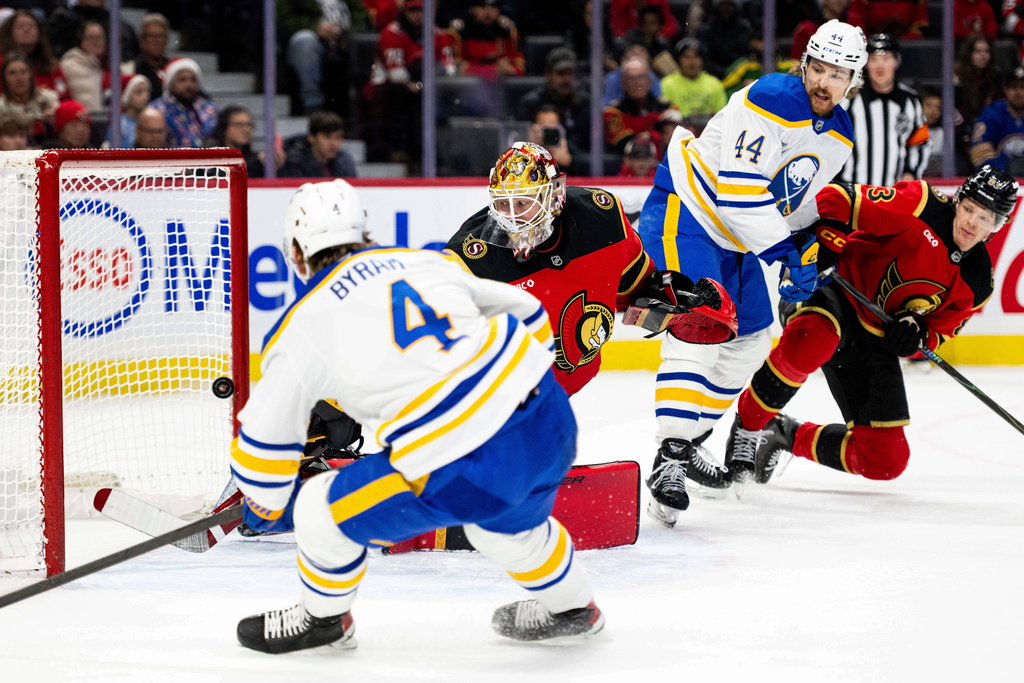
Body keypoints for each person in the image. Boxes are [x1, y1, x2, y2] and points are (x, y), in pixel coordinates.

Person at [232, 179, 605, 653]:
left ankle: (322, 620)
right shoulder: (424, 261)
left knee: (317, 510)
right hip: (549, 423)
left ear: (298, 254)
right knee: (504, 527)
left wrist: (263, 502)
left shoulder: (303, 322)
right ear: (363, 232)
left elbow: (265, 447)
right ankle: (573, 607)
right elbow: (528, 312)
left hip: (467, 466)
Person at [635, 20, 867, 527]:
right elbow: (739, 192)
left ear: (854, 80)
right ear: (805, 64)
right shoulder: (773, 97)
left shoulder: (840, 135)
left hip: (738, 236)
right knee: (700, 325)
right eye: (819, 68)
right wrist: (787, 254)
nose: (825, 81)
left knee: (750, 341)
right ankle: (668, 463)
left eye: (839, 73)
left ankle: (690, 441)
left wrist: (808, 241)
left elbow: (790, 198)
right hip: (690, 210)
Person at [723, 167, 1015, 485]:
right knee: (814, 338)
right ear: (958, 202)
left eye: (985, 217)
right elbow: (838, 199)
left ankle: (781, 434)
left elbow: (936, 336)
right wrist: (825, 241)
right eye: (969, 208)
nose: (972, 222)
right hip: (832, 288)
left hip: (873, 336)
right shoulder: (922, 205)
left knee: (884, 459)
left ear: (996, 227)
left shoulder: (977, 282)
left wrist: (916, 335)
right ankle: (748, 426)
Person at [445, 141, 734, 398]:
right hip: (498, 398)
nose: (512, 217)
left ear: (553, 196)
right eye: (502, 204)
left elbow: (636, 290)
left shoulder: (600, 219)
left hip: (563, 387)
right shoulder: (469, 258)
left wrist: (678, 298)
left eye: (522, 203)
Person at [362, 0, 457, 165]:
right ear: (405, 12)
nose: (418, 15)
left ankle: (441, 156)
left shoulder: (439, 34)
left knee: (443, 97)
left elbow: (449, 69)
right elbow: (397, 74)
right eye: (413, 11)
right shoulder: (391, 32)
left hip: (422, 87)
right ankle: (397, 150)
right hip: (385, 89)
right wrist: (423, 87)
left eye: (421, 11)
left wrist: (428, 86)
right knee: (403, 94)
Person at [838, 33, 930, 187]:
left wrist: (910, 172)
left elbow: (920, 143)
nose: (880, 66)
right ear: (866, 64)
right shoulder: (847, 97)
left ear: (896, 62)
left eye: (886, 59)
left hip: (891, 195)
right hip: (851, 192)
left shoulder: (910, 101)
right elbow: (829, 140)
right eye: (874, 60)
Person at [515, 46, 591, 165]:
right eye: (560, 74)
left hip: (576, 170)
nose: (566, 79)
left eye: (569, 73)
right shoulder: (530, 105)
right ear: (548, 74)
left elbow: (593, 154)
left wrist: (570, 160)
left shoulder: (585, 105)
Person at [603, 56, 670, 153]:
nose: (637, 83)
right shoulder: (613, 113)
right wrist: (657, 135)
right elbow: (624, 145)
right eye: (631, 78)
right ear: (623, 83)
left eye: (641, 77)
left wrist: (648, 136)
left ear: (650, 81)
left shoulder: (667, 109)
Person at [150, 58, 218, 149]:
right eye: (182, 80)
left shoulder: (209, 108)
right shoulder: (157, 110)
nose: (189, 85)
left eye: (193, 80)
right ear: (170, 83)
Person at [0, 10, 69, 100]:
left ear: (39, 32)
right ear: (10, 33)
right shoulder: (2, 63)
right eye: (20, 27)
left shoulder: (51, 64)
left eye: (31, 26)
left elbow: (64, 96)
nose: (26, 30)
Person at [448, 0, 525, 79]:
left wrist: (511, 70)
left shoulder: (508, 32)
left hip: (501, 86)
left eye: (493, 7)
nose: (488, 13)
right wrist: (492, 70)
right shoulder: (457, 33)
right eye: (482, 7)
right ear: (471, 8)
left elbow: (519, 67)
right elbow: (453, 69)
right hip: (467, 87)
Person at [970, 66, 1024, 172]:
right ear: (1005, 89)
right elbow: (978, 152)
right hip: (1000, 183)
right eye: (1013, 87)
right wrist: (1006, 171)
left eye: (1023, 87)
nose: (1018, 92)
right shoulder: (992, 113)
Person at [206, 105, 284, 178]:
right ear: (224, 128)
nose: (245, 129)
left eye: (249, 125)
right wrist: (257, 164)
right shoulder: (211, 159)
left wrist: (275, 167)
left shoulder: (255, 158)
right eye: (239, 124)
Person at [659, 38, 727, 119]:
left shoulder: (714, 83)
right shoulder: (666, 84)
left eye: (696, 56)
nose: (692, 61)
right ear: (678, 60)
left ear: (702, 60)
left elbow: (723, 115)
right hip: (678, 129)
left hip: (708, 129)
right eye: (686, 56)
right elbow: (664, 115)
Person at [280, 109, 357, 178]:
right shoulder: (295, 161)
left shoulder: (344, 160)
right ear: (312, 137)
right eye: (327, 137)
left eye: (338, 137)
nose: (334, 144)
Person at [0, 52, 58, 141]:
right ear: (4, 79)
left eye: (23, 72)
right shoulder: (1, 107)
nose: (19, 78)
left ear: (31, 75)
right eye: (12, 73)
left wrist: (57, 119)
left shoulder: (48, 99)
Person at [60, 21, 107, 112]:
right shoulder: (67, 65)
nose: (96, 41)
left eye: (99, 37)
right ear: (81, 40)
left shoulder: (108, 67)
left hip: (103, 120)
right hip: (78, 121)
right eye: (91, 37)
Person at [131, 13, 171, 101]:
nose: (157, 41)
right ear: (142, 40)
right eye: (152, 36)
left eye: (161, 36)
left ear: (167, 40)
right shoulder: (131, 69)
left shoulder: (174, 67)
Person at [846, 0, 928, 40]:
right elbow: (855, 30)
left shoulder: (918, 1)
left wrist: (898, 40)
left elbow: (921, 28)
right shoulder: (861, 2)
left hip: (907, 50)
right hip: (870, 49)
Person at [107, 74, 150, 147]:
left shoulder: (151, 122)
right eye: (139, 92)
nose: (145, 97)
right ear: (127, 96)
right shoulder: (119, 126)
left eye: (147, 92)